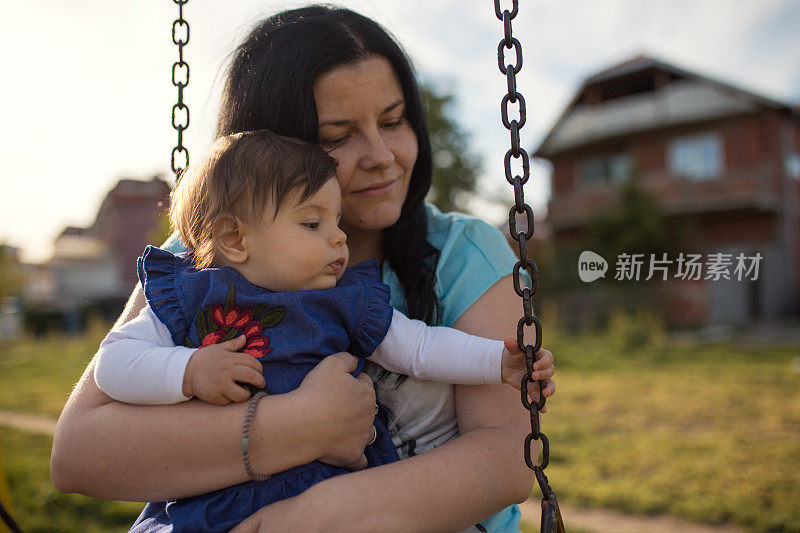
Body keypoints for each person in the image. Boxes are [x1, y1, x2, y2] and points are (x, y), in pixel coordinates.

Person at [50, 6, 556, 532]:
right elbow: (79, 455)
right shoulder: (207, 257)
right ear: (267, 149)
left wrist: (314, 516)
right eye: (337, 136)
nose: (381, 155)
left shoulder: (460, 253)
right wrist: (296, 427)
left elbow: (505, 456)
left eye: (392, 120)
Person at [94, 129, 541, 532]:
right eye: (313, 224)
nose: (339, 238)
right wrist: (188, 370)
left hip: (327, 491)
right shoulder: (191, 294)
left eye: (337, 221)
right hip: (205, 500)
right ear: (234, 239)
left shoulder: (346, 300)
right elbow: (114, 364)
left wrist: (497, 360)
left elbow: (419, 347)